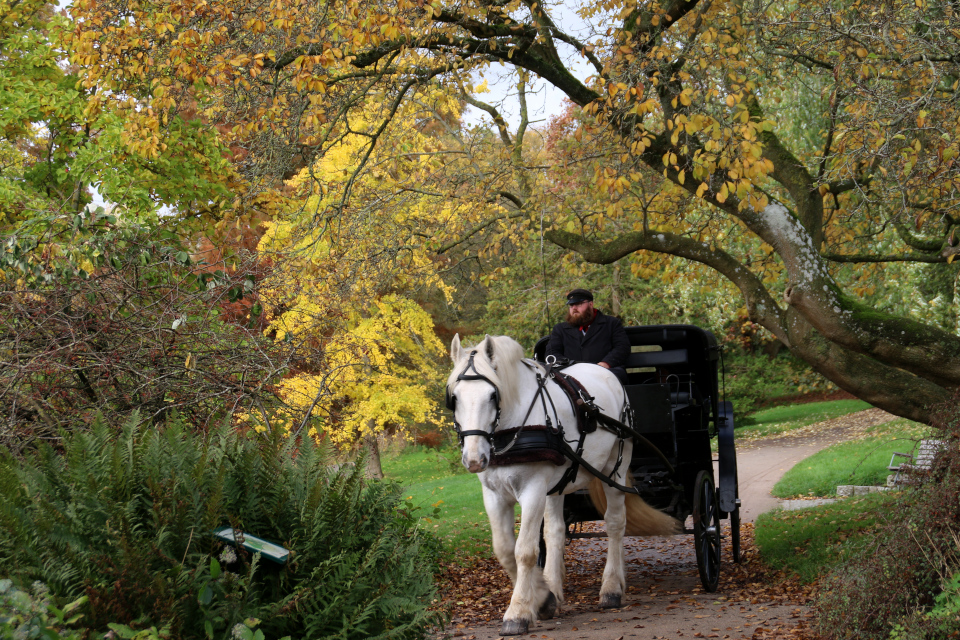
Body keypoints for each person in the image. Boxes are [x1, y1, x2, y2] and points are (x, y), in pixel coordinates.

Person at [545, 288, 630, 384]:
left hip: (605, 374)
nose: (574, 308)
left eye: (578, 304)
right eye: (571, 305)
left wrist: (605, 364)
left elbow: (622, 348)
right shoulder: (560, 329)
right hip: (571, 377)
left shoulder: (611, 323)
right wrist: (569, 367)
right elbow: (552, 353)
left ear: (590, 304)